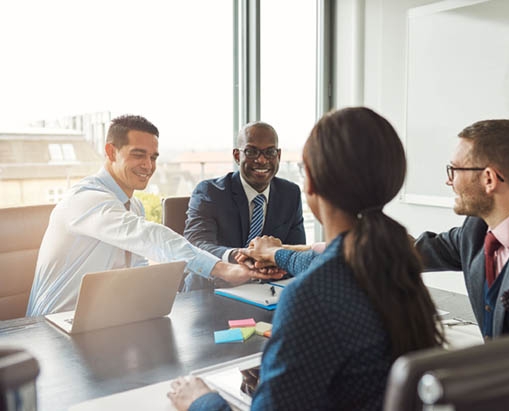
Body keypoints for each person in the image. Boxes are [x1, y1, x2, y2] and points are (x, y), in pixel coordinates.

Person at [167, 107, 444, 410]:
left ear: (310, 182)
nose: (262, 160)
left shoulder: (310, 297)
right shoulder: (397, 268)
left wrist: (200, 401)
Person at [248, 119, 509, 340]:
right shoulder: (476, 230)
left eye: (454, 169)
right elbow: (398, 252)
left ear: (488, 178)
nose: (448, 179)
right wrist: (282, 252)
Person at [26, 115, 281, 316]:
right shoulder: (84, 199)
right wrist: (222, 268)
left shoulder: (133, 206)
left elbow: (136, 271)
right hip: (51, 324)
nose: (148, 165)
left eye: (153, 156)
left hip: (101, 321)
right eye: (138, 154)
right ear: (112, 151)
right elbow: (149, 236)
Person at [183, 121, 306, 268]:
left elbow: (297, 251)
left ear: (278, 155)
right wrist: (239, 256)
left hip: (269, 285)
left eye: (270, 152)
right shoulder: (210, 192)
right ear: (237, 156)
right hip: (214, 286)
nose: (261, 160)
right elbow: (196, 245)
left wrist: (272, 265)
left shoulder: (290, 194)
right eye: (251, 152)